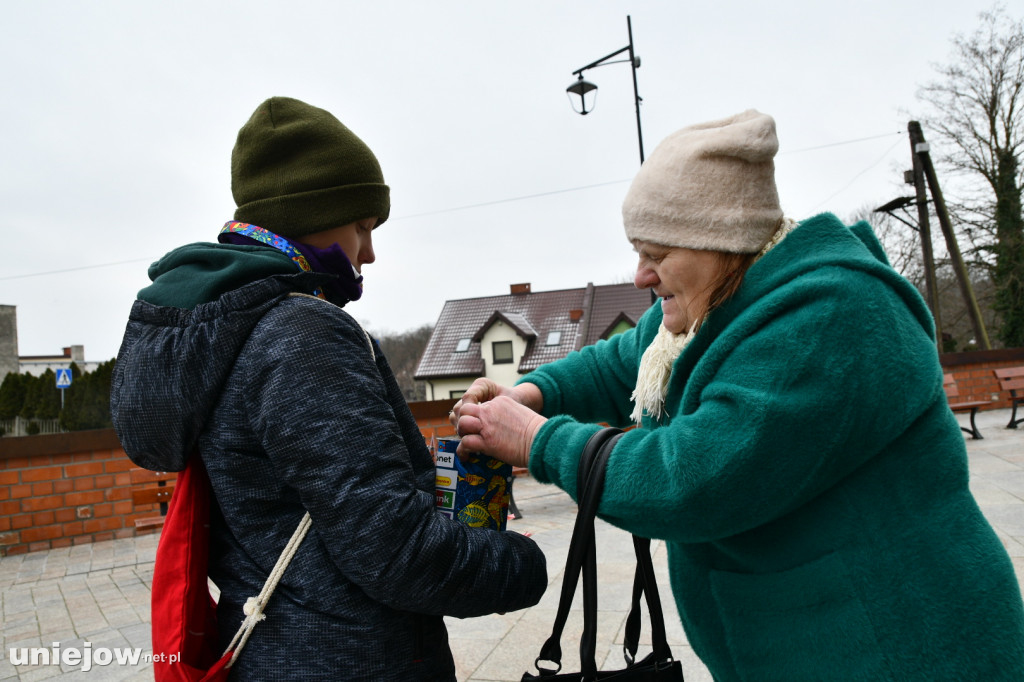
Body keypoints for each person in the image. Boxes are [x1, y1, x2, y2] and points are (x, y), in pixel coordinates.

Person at [451, 109, 1024, 680]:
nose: (640, 275)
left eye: (657, 252)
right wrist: (531, 392)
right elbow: (616, 362)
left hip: (903, 647)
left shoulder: (830, 319)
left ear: (721, 244)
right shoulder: (709, 310)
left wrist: (537, 440)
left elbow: (693, 479)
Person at [110, 96, 547, 681]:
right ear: (312, 214)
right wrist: (521, 564)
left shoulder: (224, 327)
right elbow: (391, 548)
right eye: (362, 226)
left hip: (273, 651)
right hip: (353, 660)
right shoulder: (302, 331)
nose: (369, 251)